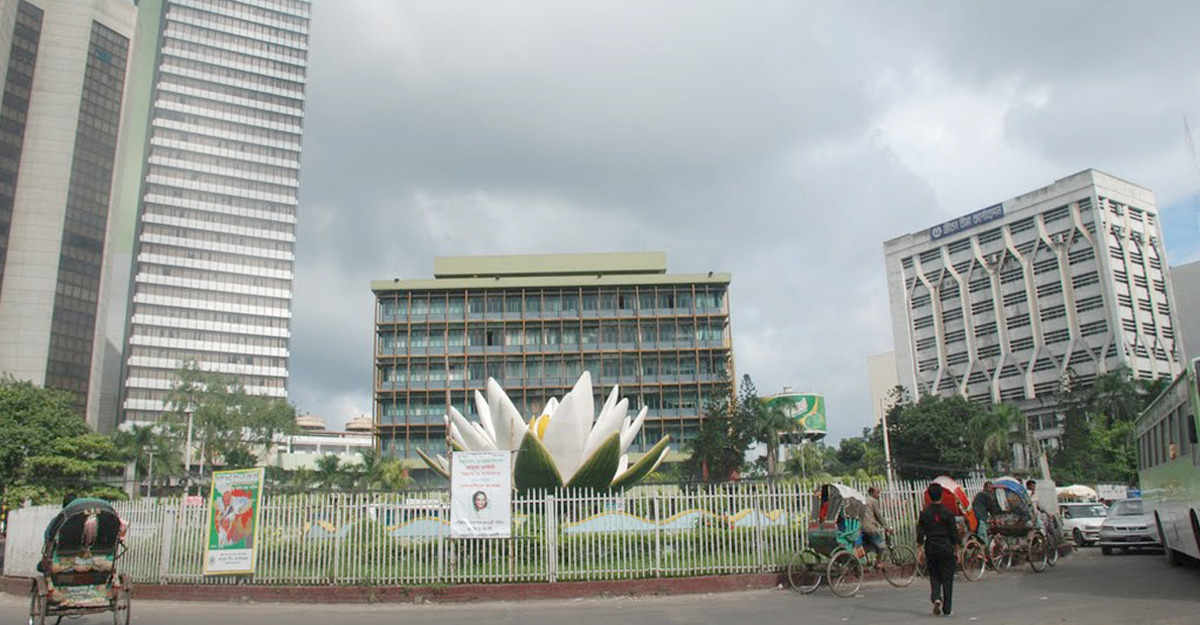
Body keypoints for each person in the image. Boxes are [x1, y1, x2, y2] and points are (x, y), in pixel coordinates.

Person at [918, 482, 959, 617]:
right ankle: (947, 609)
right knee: (947, 578)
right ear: (941, 494)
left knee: (934, 575)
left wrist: (919, 549)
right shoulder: (948, 513)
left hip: (931, 546)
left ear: (929, 496)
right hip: (946, 547)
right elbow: (954, 533)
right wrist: (957, 549)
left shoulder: (925, 513)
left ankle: (936, 597)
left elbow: (920, 532)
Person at [863, 486, 892, 563]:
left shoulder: (864, 500)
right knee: (882, 546)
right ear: (872, 493)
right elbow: (879, 516)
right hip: (871, 528)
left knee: (867, 547)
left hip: (863, 528)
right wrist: (887, 527)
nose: (878, 495)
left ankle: (868, 562)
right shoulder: (873, 501)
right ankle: (879, 562)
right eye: (877, 493)